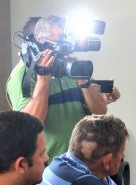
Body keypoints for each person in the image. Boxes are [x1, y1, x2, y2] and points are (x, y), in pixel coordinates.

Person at [7, 15, 121, 159]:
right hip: (48, 166)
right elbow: (30, 125)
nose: (67, 47)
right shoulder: (22, 75)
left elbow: (100, 111)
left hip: (82, 162)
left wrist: (83, 81)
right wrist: (43, 78)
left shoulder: (70, 66)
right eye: (61, 39)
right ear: (41, 40)